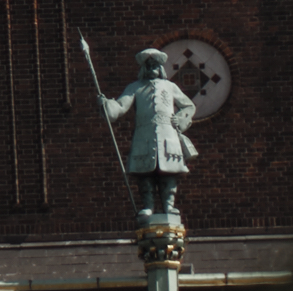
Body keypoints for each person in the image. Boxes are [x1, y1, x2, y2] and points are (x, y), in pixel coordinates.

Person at [79, 38, 205, 229]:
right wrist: (106, 103)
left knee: (168, 174)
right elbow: (120, 107)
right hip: (144, 135)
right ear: (144, 67)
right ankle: (148, 206)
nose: (152, 67)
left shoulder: (170, 87)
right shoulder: (134, 87)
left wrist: (181, 119)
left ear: (161, 67)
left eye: (155, 64)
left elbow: (188, 105)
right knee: (146, 173)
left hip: (168, 134)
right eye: (149, 64)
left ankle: (169, 206)